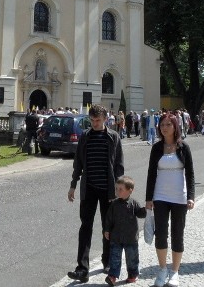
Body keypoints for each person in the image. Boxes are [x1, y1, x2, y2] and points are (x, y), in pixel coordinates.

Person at [67, 104, 125, 284]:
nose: (94, 123)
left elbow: (119, 166)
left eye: (98, 120)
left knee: (107, 228)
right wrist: (73, 185)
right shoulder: (85, 136)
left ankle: (107, 260)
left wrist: (119, 190)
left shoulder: (113, 137)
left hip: (108, 189)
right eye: (92, 120)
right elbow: (78, 163)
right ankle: (82, 269)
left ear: (105, 119)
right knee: (85, 226)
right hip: (89, 188)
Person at [145, 112, 195, 287]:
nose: (164, 127)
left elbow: (190, 174)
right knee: (161, 235)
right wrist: (148, 198)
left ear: (175, 126)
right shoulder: (156, 147)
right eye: (162, 125)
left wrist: (191, 197)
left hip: (179, 196)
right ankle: (162, 269)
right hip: (160, 196)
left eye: (168, 124)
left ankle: (174, 271)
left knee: (177, 234)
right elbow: (151, 174)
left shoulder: (184, 147)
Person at [103, 175, 146, 285]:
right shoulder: (114, 204)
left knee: (132, 258)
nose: (117, 191)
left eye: (120, 189)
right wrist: (106, 230)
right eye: (116, 188)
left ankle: (132, 274)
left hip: (130, 237)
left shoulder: (133, 203)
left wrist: (146, 209)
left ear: (129, 190)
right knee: (115, 258)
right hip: (116, 237)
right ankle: (112, 276)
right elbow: (108, 218)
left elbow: (140, 214)